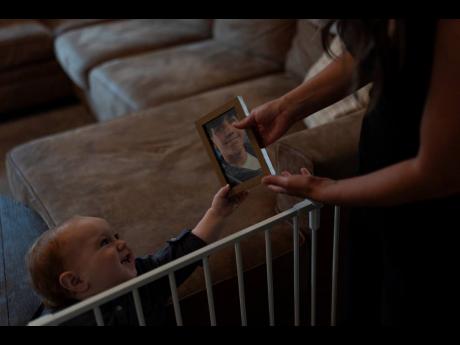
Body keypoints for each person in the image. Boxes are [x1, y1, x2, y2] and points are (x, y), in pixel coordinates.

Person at [234, 19, 460, 326]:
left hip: (424, 221)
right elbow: (370, 53)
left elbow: (436, 173)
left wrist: (323, 189)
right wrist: (287, 107)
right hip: (375, 188)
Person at [26, 185, 248, 325]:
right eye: (105, 242)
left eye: (115, 236)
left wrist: (216, 214)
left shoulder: (143, 278)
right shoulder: (59, 322)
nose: (121, 243)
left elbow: (181, 254)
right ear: (76, 281)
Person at [206, 109, 262, 186]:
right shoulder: (227, 179)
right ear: (213, 143)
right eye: (219, 129)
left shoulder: (260, 147)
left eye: (232, 121)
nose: (230, 131)